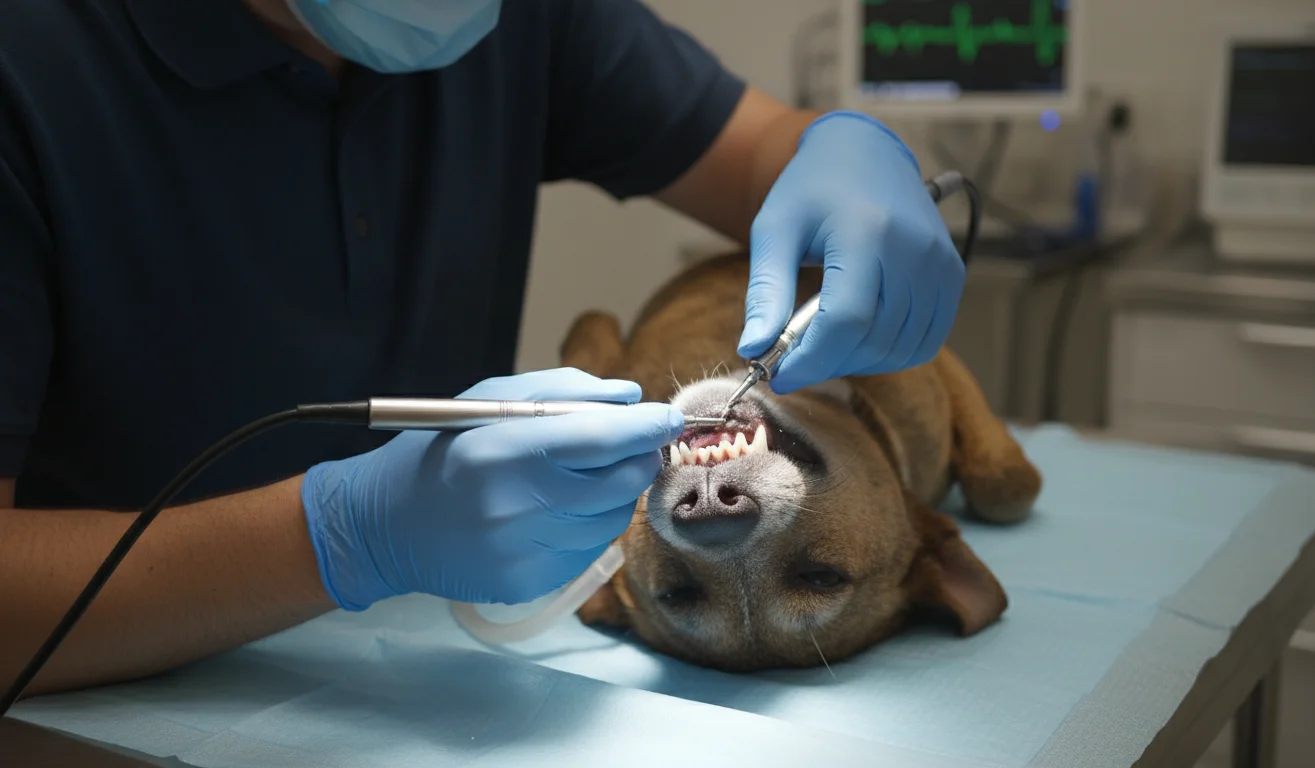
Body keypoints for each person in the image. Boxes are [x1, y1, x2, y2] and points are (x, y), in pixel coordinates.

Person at [0, 0, 964, 699]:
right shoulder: (31, 66)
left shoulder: (518, 17)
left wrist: (843, 152)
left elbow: (761, 152)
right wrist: (340, 537)